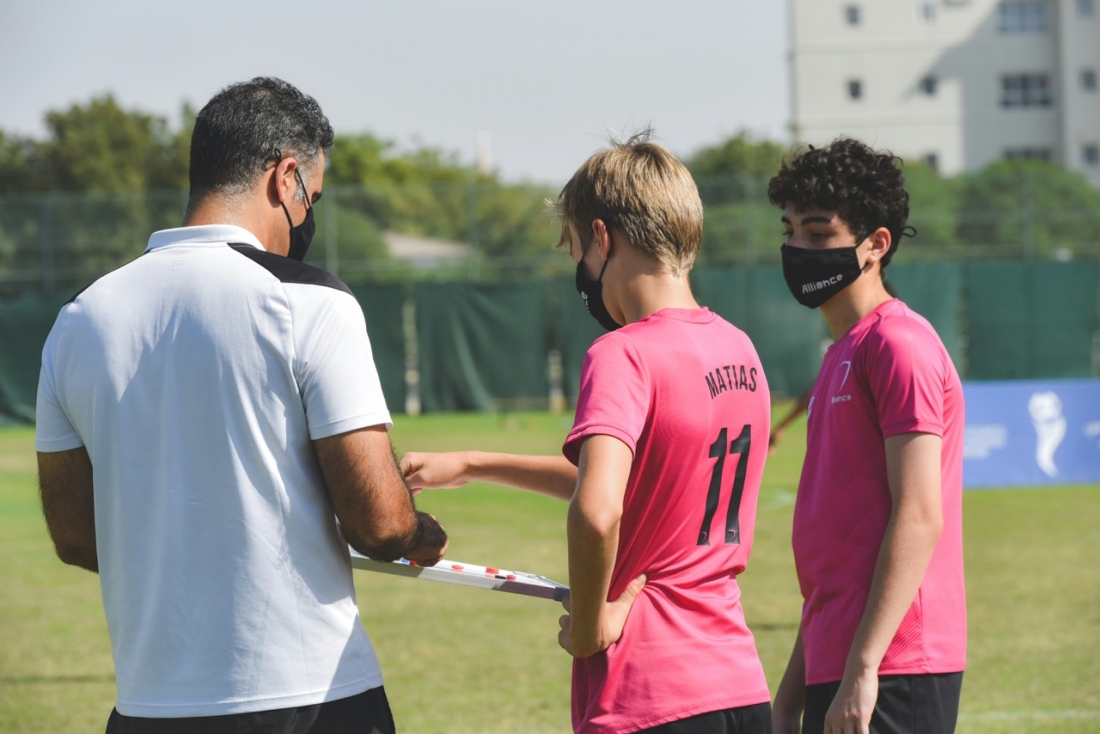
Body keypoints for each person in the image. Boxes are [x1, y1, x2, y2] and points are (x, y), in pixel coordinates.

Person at [35, 77, 448, 734]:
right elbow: (380, 524)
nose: (309, 215)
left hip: (148, 707)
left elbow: (77, 538)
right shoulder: (312, 301)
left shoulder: (78, 321)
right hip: (310, 699)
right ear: (285, 179)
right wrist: (417, 532)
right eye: (312, 196)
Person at [401, 133, 774, 734]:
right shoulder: (739, 349)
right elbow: (640, 482)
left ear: (602, 238)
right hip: (739, 688)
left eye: (576, 247)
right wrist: (471, 463)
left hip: (649, 692)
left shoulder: (622, 353)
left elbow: (599, 510)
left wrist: (594, 622)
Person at [766, 138, 966, 734]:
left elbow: (920, 514)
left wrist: (863, 666)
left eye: (819, 233)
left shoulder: (897, 344)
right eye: (791, 229)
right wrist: (789, 696)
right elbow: (838, 563)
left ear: (876, 245)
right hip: (847, 661)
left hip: (893, 665)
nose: (797, 248)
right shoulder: (843, 354)